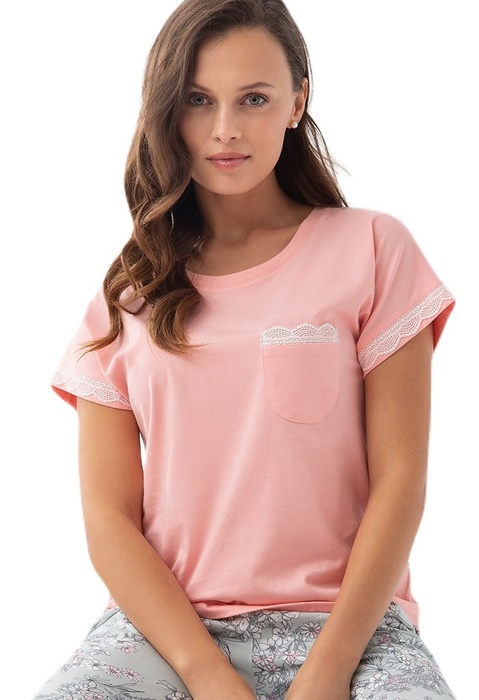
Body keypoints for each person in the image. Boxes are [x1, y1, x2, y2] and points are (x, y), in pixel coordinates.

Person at [33, 1, 457, 698]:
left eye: (253, 98)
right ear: (167, 111)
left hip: (351, 629)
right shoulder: (129, 296)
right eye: (198, 100)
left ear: (297, 101)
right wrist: (206, 675)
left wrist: (327, 672)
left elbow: (401, 481)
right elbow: (108, 521)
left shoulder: (374, 249)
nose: (224, 129)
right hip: (166, 636)